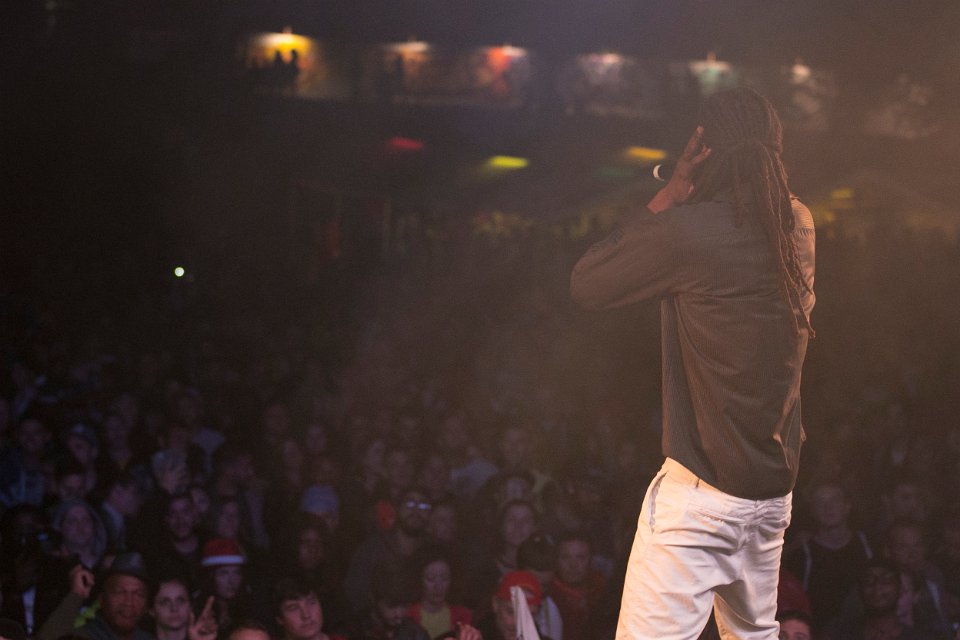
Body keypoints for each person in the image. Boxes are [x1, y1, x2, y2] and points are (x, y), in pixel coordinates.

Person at [570, 86, 816, 639]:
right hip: (771, 496)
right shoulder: (799, 225)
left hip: (704, 495)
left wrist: (673, 191)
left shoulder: (690, 231)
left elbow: (588, 282)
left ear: (704, 147)